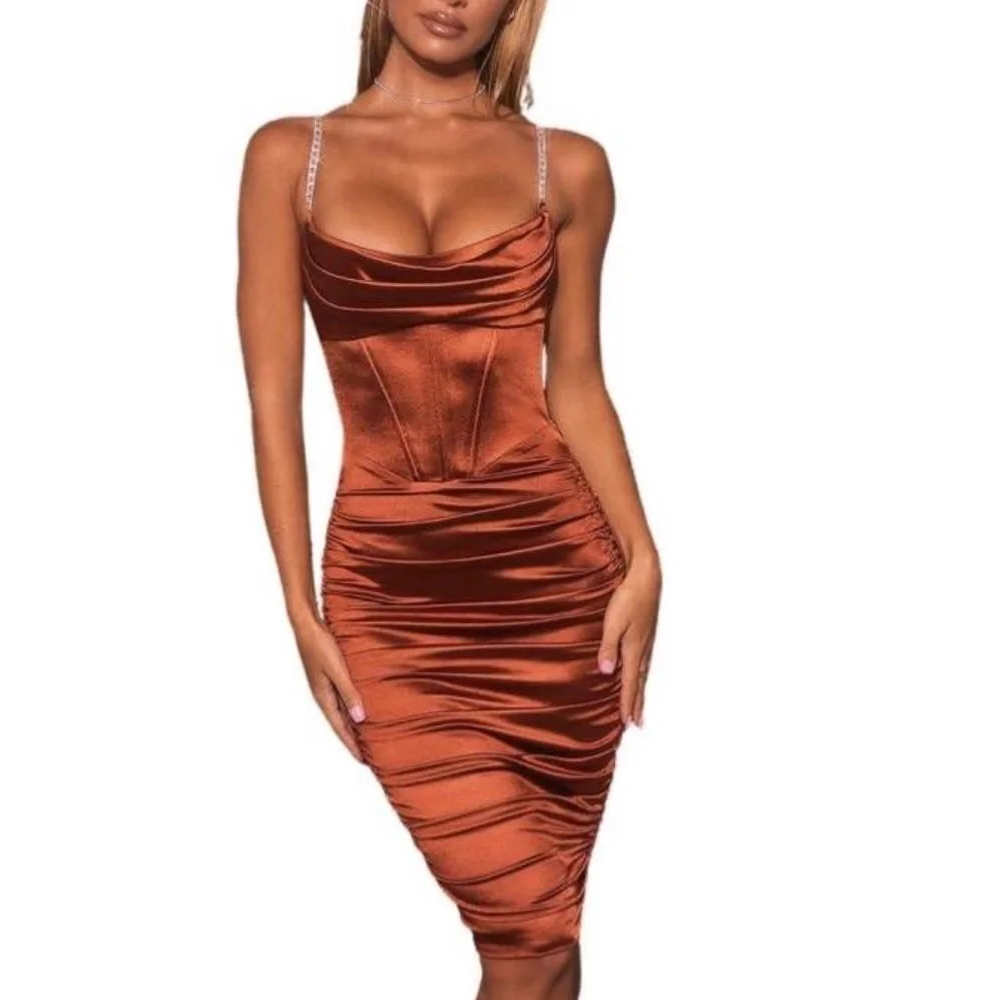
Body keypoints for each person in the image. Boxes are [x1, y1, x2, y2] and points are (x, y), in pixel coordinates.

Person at [235, 1, 662, 997]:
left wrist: (643, 558)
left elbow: (576, 382)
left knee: (541, 934)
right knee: (530, 931)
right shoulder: (287, 157)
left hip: (559, 590)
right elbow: (272, 401)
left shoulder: (571, 167)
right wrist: (299, 606)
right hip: (391, 601)